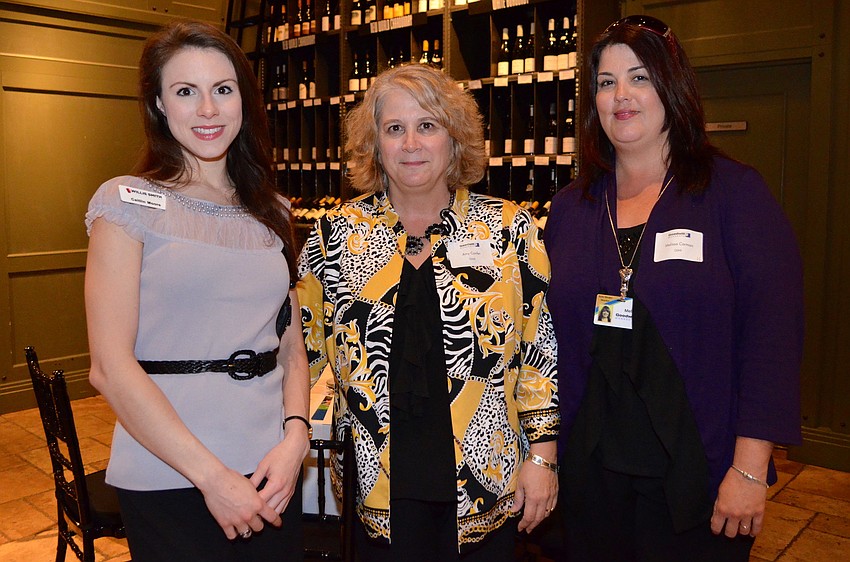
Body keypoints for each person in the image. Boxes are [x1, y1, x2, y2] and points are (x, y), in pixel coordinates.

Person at [545, 15, 803, 561]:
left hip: (695, 478)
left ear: (673, 87)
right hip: (591, 478)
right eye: (607, 82)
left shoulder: (733, 194)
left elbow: (773, 336)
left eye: (640, 78)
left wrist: (750, 468)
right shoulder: (572, 208)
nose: (622, 96)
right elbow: (544, 340)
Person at [296, 63, 559, 561]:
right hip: (376, 487)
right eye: (394, 129)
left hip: (487, 483)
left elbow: (538, 352)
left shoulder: (508, 230)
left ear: (454, 138)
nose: (411, 143)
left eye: (427, 126)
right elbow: (302, 349)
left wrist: (543, 457)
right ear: (375, 144)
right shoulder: (334, 236)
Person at [84, 19, 310, 561]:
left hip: (271, 471)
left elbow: (290, 345)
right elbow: (109, 368)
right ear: (159, 105)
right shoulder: (125, 202)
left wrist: (296, 438)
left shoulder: (273, 211)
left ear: (243, 101)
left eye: (222, 90)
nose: (207, 110)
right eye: (185, 92)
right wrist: (213, 478)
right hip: (170, 474)